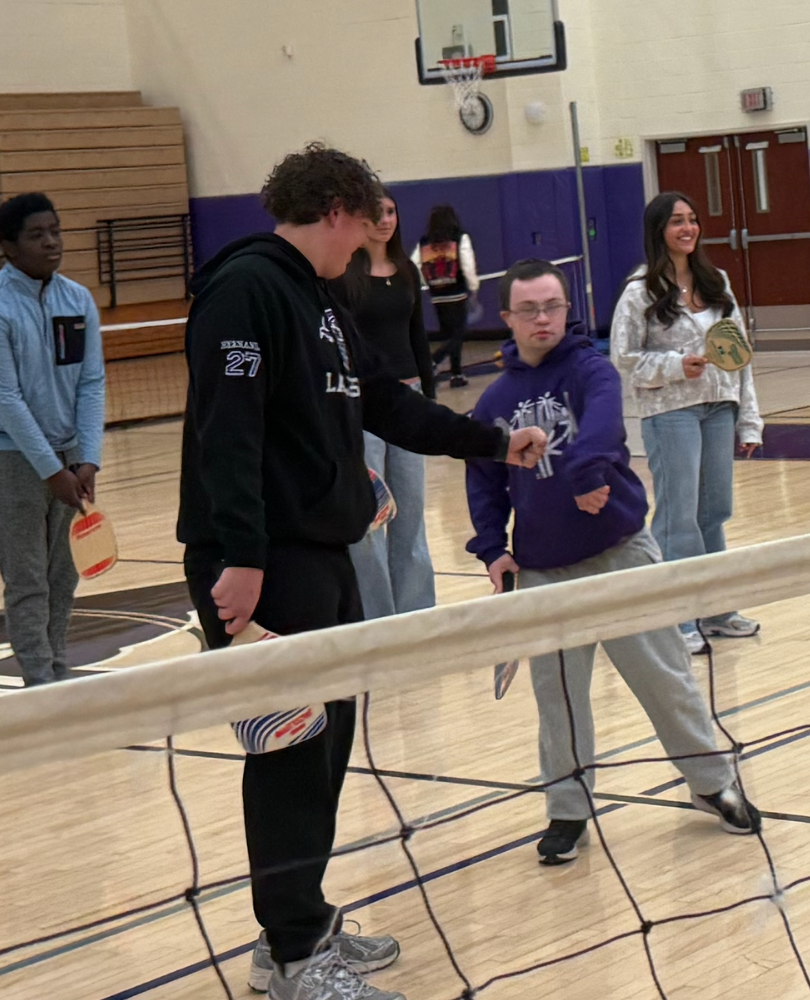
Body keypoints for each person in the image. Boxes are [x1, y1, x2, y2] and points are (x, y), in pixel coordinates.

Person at [177, 143, 546, 1000]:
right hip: (262, 562)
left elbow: (390, 404)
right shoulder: (246, 290)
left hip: (323, 553)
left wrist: (492, 443)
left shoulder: (325, 298)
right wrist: (239, 556)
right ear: (337, 207)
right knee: (291, 756)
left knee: (329, 746)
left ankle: (294, 924)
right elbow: (225, 433)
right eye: (371, 214)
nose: (380, 232)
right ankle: (297, 959)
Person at [465, 258, 761, 867]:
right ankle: (567, 811)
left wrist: (587, 472)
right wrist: (494, 548)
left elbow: (603, 428)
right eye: (528, 309)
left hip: (622, 554)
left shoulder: (591, 368)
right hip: (545, 571)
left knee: (666, 678)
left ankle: (711, 784)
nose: (542, 318)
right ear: (507, 318)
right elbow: (484, 481)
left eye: (552, 306)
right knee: (560, 700)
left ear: (567, 309)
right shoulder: (495, 399)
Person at [0, 192, 104, 687]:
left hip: (65, 456)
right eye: (36, 235)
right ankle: (39, 683)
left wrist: (87, 458)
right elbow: (5, 399)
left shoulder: (77, 299)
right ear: (8, 246)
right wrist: (51, 469)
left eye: (55, 231)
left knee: (63, 576)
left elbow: (91, 382)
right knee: (27, 580)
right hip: (5, 456)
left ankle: (57, 669)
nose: (51, 242)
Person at [611, 192, 764, 655]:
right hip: (670, 412)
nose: (688, 228)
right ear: (659, 230)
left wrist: (749, 420)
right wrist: (678, 365)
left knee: (713, 512)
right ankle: (675, 617)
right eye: (677, 221)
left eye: (693, 220)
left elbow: (741, 355)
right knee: (679, 517)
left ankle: (716, 610)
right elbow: (623, 358)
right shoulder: (639, 291)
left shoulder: (715, 282)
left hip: (720, 407)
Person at [329, 188, 436, 619]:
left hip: (408, 399)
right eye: (376, 213)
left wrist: (429, 398)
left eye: (391, 211)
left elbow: (419, 337)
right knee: (372, 515)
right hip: (365, 405)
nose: (385, 220)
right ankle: (377, 617)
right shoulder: (344, 276)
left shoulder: (408, 272)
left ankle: (417, 615)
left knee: (410, 514)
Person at [411, 204, 479, 388]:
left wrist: (427, 283)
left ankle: (457, 375)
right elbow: (467, 263)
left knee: (450, 334)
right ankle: (435, 360)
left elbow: (414, 265)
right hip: (457, 294)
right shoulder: (460, 238)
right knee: (459, 334)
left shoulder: (424, 242)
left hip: (437, 296)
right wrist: (473, 286)